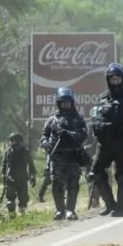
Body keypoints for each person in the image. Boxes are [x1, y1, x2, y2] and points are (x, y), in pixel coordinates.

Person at [89, 63, 123, 217]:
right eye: (112, 79)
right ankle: (110, 204)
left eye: (118, 78)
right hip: (104, 143)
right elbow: (95, 117)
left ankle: (121, 208)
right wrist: (98, 126)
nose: (115, 81)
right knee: (95, 174)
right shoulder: (102, 98)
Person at [40, 87, 90, 220]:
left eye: (68, 102)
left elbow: (84, 134)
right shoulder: (52, 120)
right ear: (59, 103)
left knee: (73, 183)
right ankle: (59, 210)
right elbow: (44, 136)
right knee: (57, 183)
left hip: (73, 155)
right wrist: (47, 145)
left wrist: (69, 134)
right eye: (63, 102)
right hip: (57, 156)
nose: (66, 105)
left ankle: (70, 210)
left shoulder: (78, 119)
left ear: (72, 103)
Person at [0, 133, 36, 216]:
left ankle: (22, 214)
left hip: (22, 179)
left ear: (19, 141)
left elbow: (31, 164)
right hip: (10, 179)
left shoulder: (24, 152)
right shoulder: (8, 152)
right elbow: (4, 164)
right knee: (10, 202)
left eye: (13, 141)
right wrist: (3, 174)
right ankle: (12, 216)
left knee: (23, 200)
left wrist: (33, 176)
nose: (12, 143)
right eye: (11, 141)